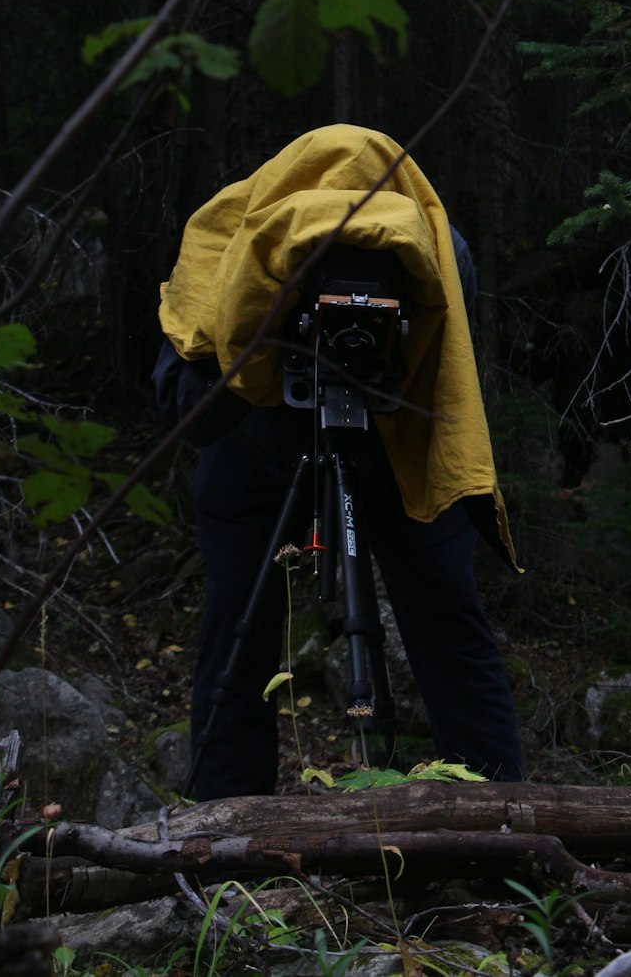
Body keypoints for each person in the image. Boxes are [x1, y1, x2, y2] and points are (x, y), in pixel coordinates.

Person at [152, 125, 524, 799]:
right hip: (261, 437)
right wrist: (262, 356)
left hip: (391, 427)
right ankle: (227, 830)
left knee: (440, 614)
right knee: (245, 616)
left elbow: (447, 365)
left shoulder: (439, 251)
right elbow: (183, 403)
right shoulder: (233, 239)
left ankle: (495, 811)